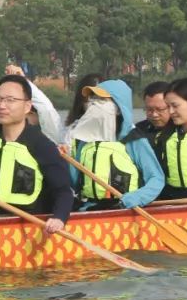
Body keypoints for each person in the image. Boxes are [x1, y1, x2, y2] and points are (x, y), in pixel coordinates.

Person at [0, 74, 73, 234]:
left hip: (29, 227)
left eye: (10, 100)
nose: (1, 106)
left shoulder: (42, 145)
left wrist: (59, 218)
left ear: (27, 106)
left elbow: (63, 191)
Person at [63, 80, 165, 210]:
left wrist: (135, 198)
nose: (94, 103)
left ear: (118, 108)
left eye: (102, 100)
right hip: (89, 208)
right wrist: (65, 159)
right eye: (93, 98)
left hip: (125, 209)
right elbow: (74, 181)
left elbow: (156, 178)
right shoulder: (85, 140)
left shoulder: (133, 139)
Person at [5, 64, 65, 144]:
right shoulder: (12, 135)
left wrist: (22, 78)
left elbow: (45, 107)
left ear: (31, 112)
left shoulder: (53, 134)